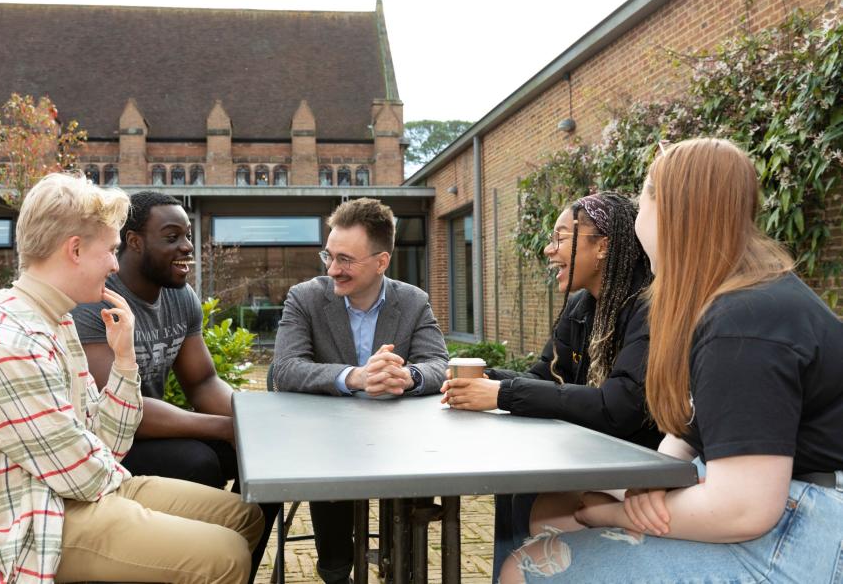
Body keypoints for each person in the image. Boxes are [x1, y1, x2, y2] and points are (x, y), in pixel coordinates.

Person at [500, 138, 843, 582]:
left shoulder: (744, 321)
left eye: (642, 200)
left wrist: (617, 515)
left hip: (805, 529)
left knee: (523, 568)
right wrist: (647, 485)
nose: (637, 219)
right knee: (554, 511)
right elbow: (693, 431)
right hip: (767, 497)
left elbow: (742, 509)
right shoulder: (733, 299)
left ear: (672, 213)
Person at [0, 173, 263, 584]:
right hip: (43, 521)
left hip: (82, 489)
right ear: (74, 250)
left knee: (244, 517)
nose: (114, 263)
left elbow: (108, 439)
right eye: (110, 249)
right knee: (226, 555)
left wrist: (124, 359)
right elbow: (84, 474)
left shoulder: (54, 321)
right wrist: (127, 487)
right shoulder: (10, 342)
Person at [440, 192, 659, 578]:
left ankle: (521, 571)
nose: (547, 249)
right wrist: (486, 379)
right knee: (516, 481)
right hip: (588, 463)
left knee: (525, 488)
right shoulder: (582, 307)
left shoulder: (648, 308)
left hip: (642, 475)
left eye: (560, 238)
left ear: (603, 246)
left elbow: (619, 407)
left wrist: (503, 393)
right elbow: (543, 378)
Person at [71, 190, 277, 580]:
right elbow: (115, 408)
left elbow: (202, 382)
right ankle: (183, 566)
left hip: (155, 429)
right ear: (134, 242)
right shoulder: (93, 303)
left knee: (266, 459)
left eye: (187, 236)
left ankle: (232, 570)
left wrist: (252, 420)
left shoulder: (181, 298)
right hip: (107, 443)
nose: (186, 247)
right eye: (172, 237)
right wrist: (223, 427)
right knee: (198, 462)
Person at [271, 197, 448, 584]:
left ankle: (400, 564)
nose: (334, 269)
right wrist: (356, 377)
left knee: (415, 490)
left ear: (382, 262)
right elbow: (283, 370)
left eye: (346, 260)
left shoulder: (413, 301)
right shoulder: (306, 298)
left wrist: (409, 376)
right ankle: (335, 571)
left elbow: (439, 365)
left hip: (397, 444)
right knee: (329, 472)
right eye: (329, 256)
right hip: (326, 442)